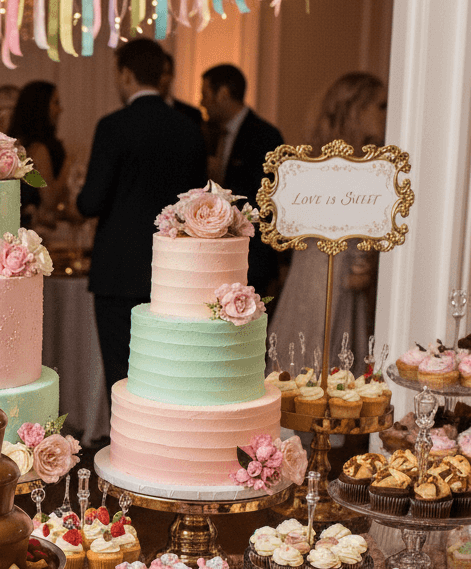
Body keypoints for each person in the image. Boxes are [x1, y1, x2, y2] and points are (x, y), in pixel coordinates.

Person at [77, 38, 208, 400]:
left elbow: (91, 201)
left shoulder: (113, 126)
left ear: (126, 74)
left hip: (118, 270)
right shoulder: (189, 128)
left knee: (121, 373)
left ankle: (124, 448)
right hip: (176, 268)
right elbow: (200, 204)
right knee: (169, 370)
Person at [269, 72, 388, 368]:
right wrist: (363, 262)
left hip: (317, 274)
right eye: (381, 105)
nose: (388, 111)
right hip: (334, 276)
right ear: (357, 109)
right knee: (324, 355)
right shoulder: (356, 165)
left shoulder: (313, 161)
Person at [200, 63, 285, 295]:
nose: (201, 102)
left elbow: (268, 200)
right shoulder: (209, 134)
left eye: (205, 94)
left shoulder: (265, 136)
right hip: (221, 254)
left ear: (224, 94)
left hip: (253, 255)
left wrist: (222, 188)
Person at [8, 81, 71, 229]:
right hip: (32, 231)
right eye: (55, 103)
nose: (60, 109)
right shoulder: (38, 150)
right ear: (41, 107)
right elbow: (50, 201)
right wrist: (68, 163)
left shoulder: (15, 144)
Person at [158, 53, 203, 125]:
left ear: (172, 75)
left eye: (164, 73)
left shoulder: (191, 114)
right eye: (156, 74)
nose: (160, 79)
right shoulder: (139, 111)